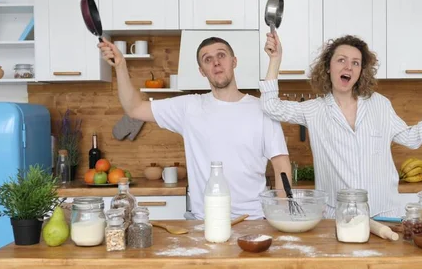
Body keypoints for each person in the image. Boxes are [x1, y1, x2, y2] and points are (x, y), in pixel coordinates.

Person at [259, 31, 422, 218]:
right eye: (341, 60)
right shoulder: (314, 110)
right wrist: (275, 59)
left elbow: (411, 138)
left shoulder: (380, 105)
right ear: (328, 68)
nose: (348, 66)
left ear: (360, 72)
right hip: (337, 216)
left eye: (356, 63)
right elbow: (270, 105)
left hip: (384, 213)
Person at [98, 36, 292, 220]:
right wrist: (121, 66)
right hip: (205, 222)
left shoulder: (262, 109)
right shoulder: (189, 108)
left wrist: (283, 218)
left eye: (221, 55)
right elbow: (134, 108)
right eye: (207, 59)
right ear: (201, 71)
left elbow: (281, 164)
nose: (216, 62)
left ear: (234, 61)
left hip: (254, 220)